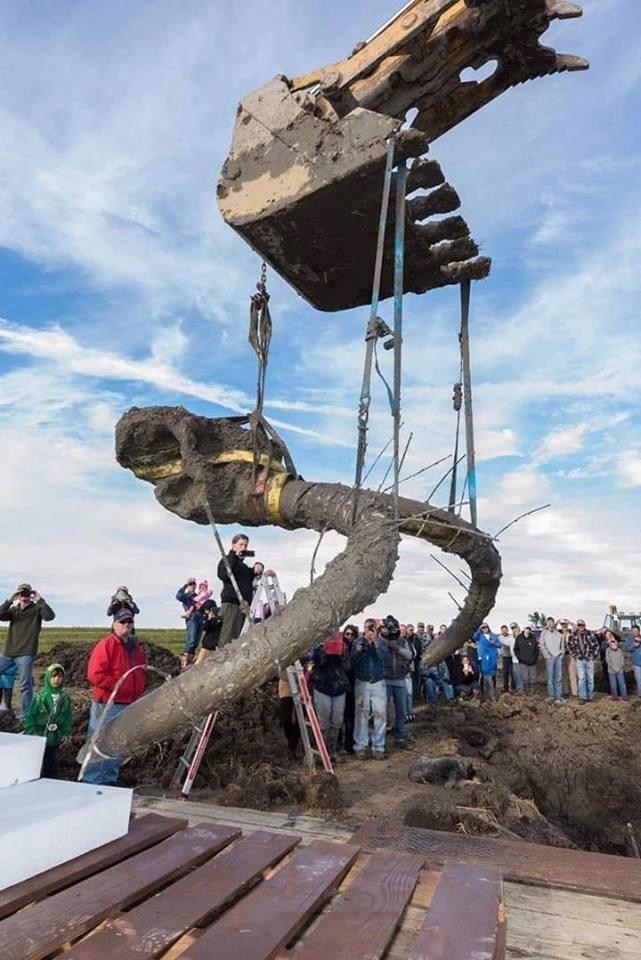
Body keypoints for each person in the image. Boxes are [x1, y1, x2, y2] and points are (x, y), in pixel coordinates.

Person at [83, 608, 146, 785]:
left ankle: (109, 780)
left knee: (117, 744)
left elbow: (141, 670)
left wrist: (137, 687)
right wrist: (119, 686)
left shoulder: (135, 648)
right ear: (114, 624)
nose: (126, 625)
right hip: (108, 704)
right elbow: (95, 674)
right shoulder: (107, 645)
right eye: (122, 622)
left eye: (129, 622)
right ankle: (92, 782)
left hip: (128, 704)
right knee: (100, 742)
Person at [0, 584, 55, 718]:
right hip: (8, 652)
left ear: (31, 594)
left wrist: (40, 600)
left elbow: (50, 616)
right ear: (18, 595)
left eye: (26, 593)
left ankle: (26, 715)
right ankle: (6, 706)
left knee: (25, 685)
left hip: (26, 653)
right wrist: (10, 599)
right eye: (21, 593)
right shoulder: (13, 610)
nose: (24, 596)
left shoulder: (37, 609)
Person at [24, 663, 72, 778]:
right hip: (39, 736)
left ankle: (51, 781)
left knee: (52, 763)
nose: (57, 679)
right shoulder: (40, 697)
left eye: (60, 677)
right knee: (36, 764)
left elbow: (67, 716)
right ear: (48, 677)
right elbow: (31, 715)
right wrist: (32, 731)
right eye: (53, 676)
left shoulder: (64, 698)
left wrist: (66, 731)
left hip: (54, 737)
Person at [352, 619, 388, 760]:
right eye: (367, 628)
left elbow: (383, 657)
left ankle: (378, 747)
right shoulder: (358, 642)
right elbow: (352, 662)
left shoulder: (381, 642)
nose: (369, 631)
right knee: (361, 714)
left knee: (380, 714)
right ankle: (360, 746)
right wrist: (358, 651)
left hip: (378, 682)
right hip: (362, 682)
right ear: (363, 629)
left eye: (372, 628)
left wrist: (376, 642)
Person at [312, 632, 351, 761]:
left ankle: (332, 751)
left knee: (337, 722)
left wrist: (343, 652)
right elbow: (318, 664)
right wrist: (325, 650)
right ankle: (321, 752)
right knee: (323, 722)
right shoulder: (317, 645)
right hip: (323, 686)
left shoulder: (343, 645)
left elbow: (348, 666)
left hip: (339, 687)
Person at [217, 534, 255, 646]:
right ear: (234, 545)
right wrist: (234, 556)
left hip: (243, 605)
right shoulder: (227, 559)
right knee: (227, 637)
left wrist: (259, 567)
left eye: (246, 545)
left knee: (240, 638)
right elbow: (223, 574)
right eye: (241, 544)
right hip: (232, 604)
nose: (243, 548)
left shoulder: (243, 567)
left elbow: (249, 574)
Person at [382, 615, 412, 750]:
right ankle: (380, 740)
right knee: (383, 711)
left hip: (400, 679)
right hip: (385, 679)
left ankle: (399, 737)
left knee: (401, 710)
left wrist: (396, 648)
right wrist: (384, 644)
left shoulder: (402, 641)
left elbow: (410, 655)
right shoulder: (381, 641)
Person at [566, 619, 600, 704]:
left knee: (590, 678)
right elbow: (569, 646)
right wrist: (575, 655)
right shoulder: (573, 635)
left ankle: (590, 696)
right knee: (581, 678)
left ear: (584, 626)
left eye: (582, 625)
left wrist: (593, 655)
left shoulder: (590, 634)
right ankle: (582, 697)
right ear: (577, 626)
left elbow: (596, 645)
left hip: (589, 659)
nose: (581, 627)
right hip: (580, 659)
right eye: (579, 625)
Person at [340, 624, 359, 754]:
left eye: (352, 634)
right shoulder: (340, 647)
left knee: (351, 717)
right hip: (341, 685)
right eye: (347, 634)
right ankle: (337, 743)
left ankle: (349, 744)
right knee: (339, 717)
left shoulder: (357, 648)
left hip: (353, 686)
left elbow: (353, 667)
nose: (349, 637)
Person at [175, 578, 202, 669]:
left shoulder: (198, 596)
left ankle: (190, 660)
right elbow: (178, 596)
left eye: (194, 584)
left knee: (196, 641)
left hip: (200, 617)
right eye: (191, 584)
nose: (193, 586)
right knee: (192, 639)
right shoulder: (186, 596)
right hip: (192, 618)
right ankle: (185, 660)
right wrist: (185, 585)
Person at [539, 616, 566, 704]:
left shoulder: (558, 634)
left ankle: (558, 696)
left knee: (558, 678)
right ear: (546, 624)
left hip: (558, 657)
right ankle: (551, 696)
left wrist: (562, 654)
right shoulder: (544, 633)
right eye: (548, 622)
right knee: (550, 678)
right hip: (549, 658)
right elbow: (542, 645)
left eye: (551, 622)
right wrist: (546, 655)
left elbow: (562, 644)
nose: (550, 624)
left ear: (554, 623)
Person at [474, 623, 503, 702]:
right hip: (482, 658)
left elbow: (500, 645)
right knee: (483, 677)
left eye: (485, 627)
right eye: (482, 628)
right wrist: (479, 630)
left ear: (488, 627)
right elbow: (474, 637)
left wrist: (493, 643)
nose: (484, 629)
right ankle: (485, 695)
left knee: (491, 676)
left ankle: (492, 695)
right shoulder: (479, 635)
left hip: (492, 658)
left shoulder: (493, 636)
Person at [195, 600, 223, 664]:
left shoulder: (214, 619)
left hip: (208, 644)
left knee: (199, 662)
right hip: (212, 643)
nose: (205, 611)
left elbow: (206, 627)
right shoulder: (218, 618)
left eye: (206, 609)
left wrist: (210, 619)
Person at [514, 625, 539, 695]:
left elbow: (537, 650)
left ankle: (532, 692)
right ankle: (526, 692)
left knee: (533, 678)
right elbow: (516, 649)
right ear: (524, 629)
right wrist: (520, 658)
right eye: (526, 628)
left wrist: (535, 659)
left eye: (529, 629)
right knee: (525, 678)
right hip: (523, 662)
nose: (528, 630)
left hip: (532, 662)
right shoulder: (519, 638)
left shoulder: (533, 637)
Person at [604, 630, 628, 701]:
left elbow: (622, 660)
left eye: (615, 643)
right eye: (612, 643)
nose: (613, 645)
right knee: (613, 685)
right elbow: (608, 661)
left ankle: (624, 697)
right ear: (609, 644)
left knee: (622, 684)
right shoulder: (608, 650)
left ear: (617, 643)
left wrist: (619, 668)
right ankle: (615, 697)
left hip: (620, 671)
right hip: (611, 671)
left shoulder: (619, 651)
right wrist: (614, 668)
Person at [559, 619, 577, 697]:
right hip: (561, 655)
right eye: (562, 624)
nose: (564, 625)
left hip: (570, 655)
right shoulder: (558, 633)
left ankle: (574, 692)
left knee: (572, 673)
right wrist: (557, 622)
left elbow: (576, 627)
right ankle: (565, 691)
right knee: (564, 674)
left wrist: (570, 622)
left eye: (565, 624)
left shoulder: (571, 633)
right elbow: (548, 629)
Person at [499, 624, 517, 693]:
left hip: (512, 657)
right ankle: (505, 688)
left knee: (513, 673)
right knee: (505, 673)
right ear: (501, 631)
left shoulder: (511, 636)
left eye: (505, 630)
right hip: (505, 657)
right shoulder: (499, 637)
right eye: (502, 630)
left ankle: (513, 687)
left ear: (507, 630)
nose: (504, 631)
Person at [625, 624, 641, 697]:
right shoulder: (629, 638)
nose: (635, 632)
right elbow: (628, 648)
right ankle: (640, 694)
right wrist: (634, 646)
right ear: (631, 631)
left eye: (636, 631)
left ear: (639, 631)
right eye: (633, 631)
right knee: (639, 680)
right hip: (637, 663)